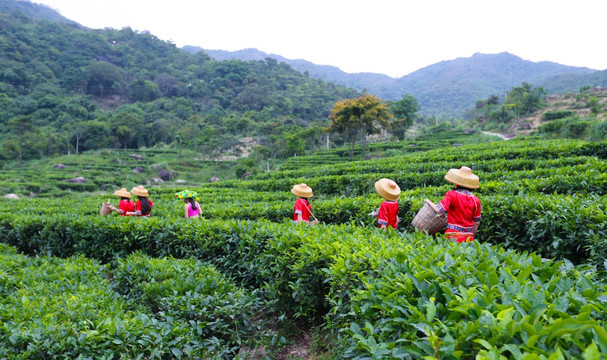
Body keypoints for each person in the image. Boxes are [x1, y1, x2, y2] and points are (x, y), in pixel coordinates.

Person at [436, 166, 481, 243]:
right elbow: (476, 222)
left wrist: (427, 201)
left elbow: (439, 210)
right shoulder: (476, 200)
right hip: (468, 238)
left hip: (451, 236)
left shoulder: (451, 195)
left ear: (456, 183)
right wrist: (472, 237)